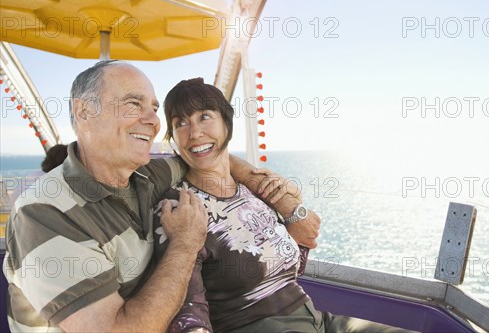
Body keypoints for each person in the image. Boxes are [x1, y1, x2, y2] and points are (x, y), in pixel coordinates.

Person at [2, 60, 319, 332]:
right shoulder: (44, 212)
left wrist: (285, 202)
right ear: (83, 112)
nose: (153, 121)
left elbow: (209, 153)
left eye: (154, 109)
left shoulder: (145, 177)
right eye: (133, 104)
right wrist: (185, 243)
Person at [155, 78, 412, 333]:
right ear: (174, 137)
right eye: (181, 123)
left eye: (205, 117)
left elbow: (292, 265)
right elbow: (187, 312)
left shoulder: (252, 191)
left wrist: (293, 211)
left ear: (227, 123)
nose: (195, 133)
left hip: (317, 319)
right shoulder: (180, 209)